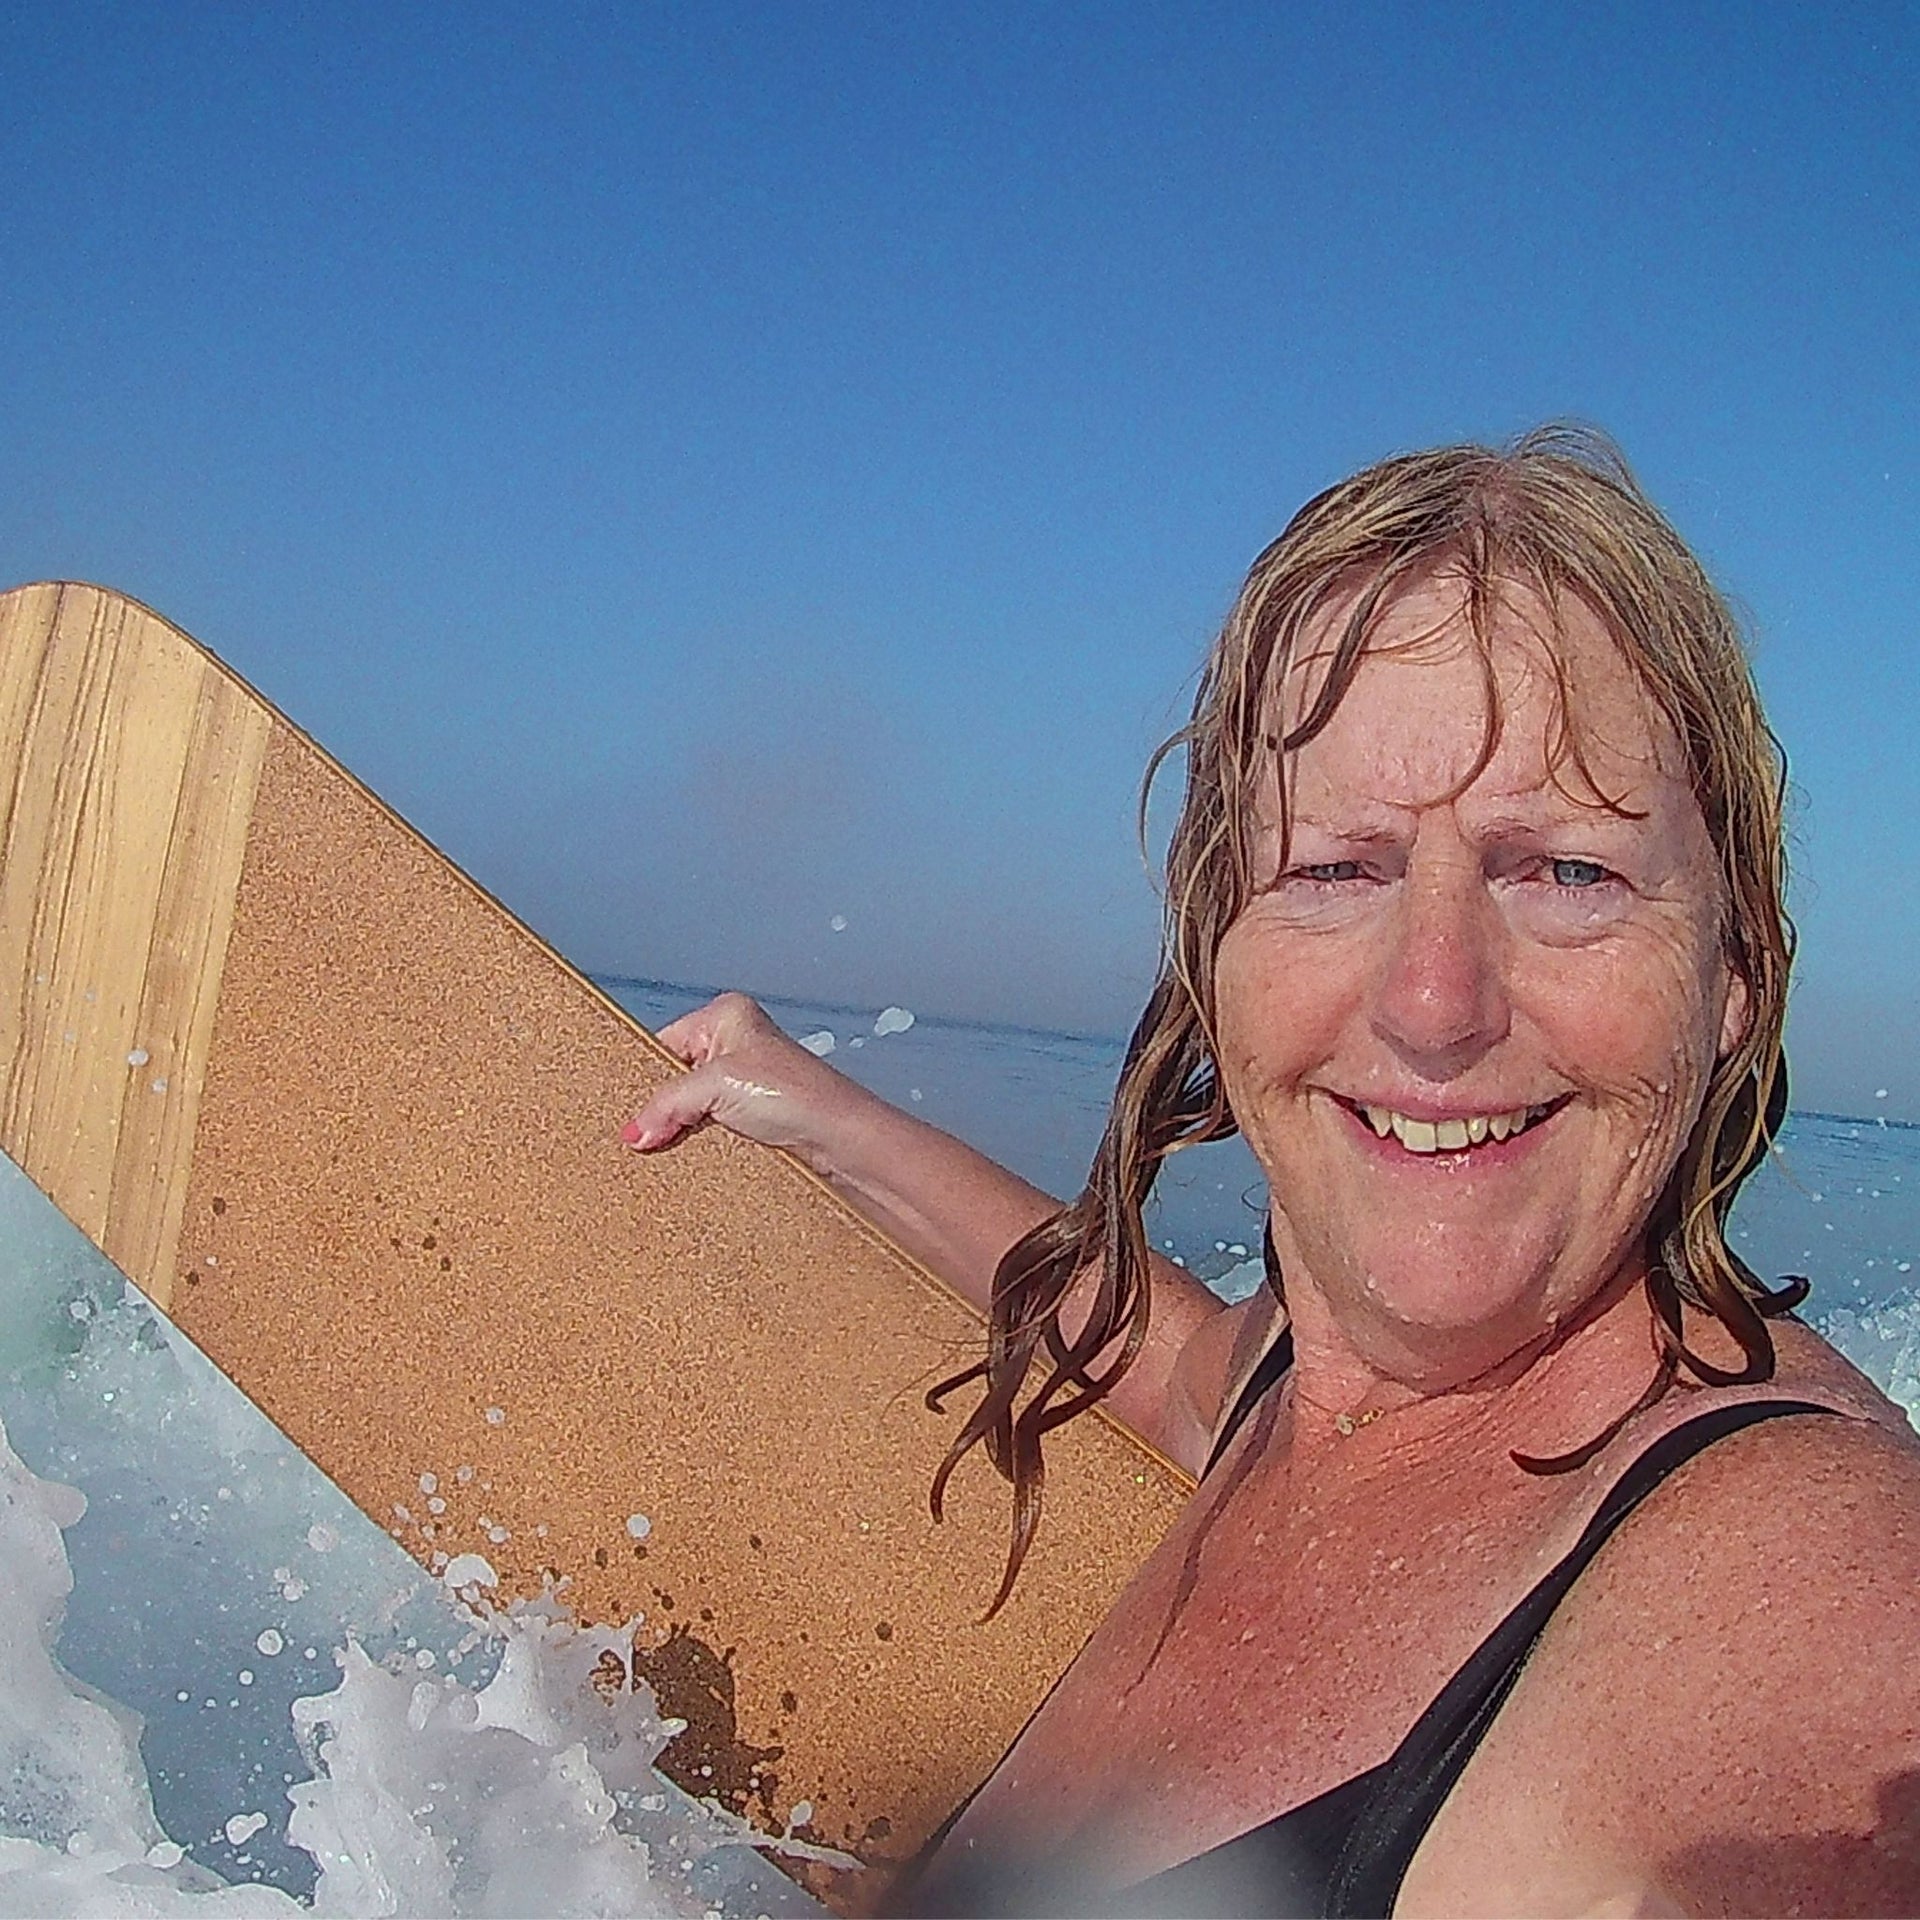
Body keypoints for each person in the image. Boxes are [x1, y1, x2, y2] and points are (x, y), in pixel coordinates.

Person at [624, 428, 1920, 1917]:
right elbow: (1144, 1338)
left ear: (1733, 978)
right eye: (1333, 867)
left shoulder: (1807, 1604)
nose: (1435, 1001)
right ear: (1215, 957)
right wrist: (830, 1118)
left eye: (1566, 871)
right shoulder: (1293, 1392)